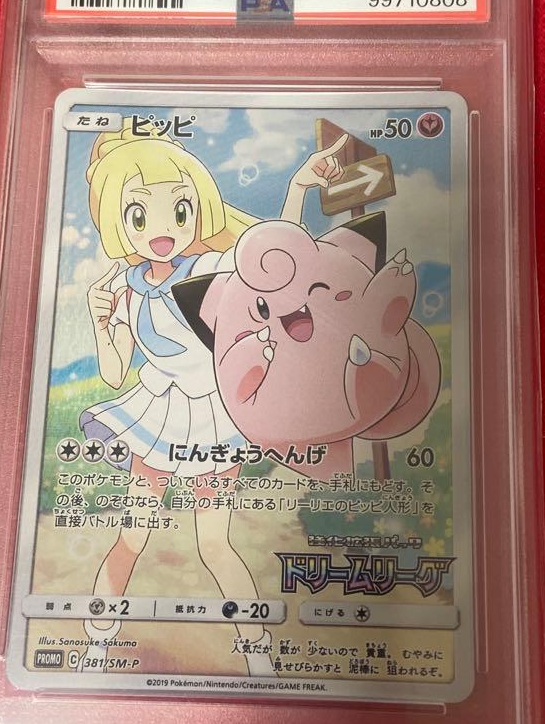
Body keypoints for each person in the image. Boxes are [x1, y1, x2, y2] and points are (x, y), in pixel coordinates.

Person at [77, 117, 344, 675]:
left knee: (215, 544)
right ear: (117, 222)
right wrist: (102, 324)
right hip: (159, 415)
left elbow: (275, 263)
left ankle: (258, 654)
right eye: (138, 214)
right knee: (133, 532)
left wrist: (297, 188)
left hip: (214, 419)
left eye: (179, 209)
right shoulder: (124, 288)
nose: (162, 229)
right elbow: (114, 372)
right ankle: (97, 639)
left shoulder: (210, 268)